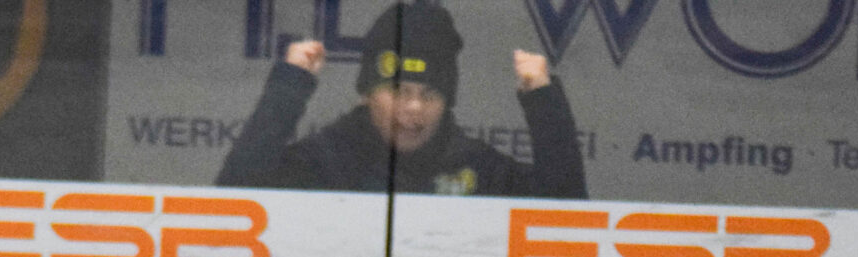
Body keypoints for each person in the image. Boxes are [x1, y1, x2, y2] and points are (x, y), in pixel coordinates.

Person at [216, 2, 587, 198]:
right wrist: (288, 88)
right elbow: (233, 201)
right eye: (398, 91)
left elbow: (565, 220)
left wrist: (544, 101)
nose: (413, 108)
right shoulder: (326, 161)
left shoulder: (479, 169)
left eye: (429, 94)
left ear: (448, 101)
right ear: (367, 93)